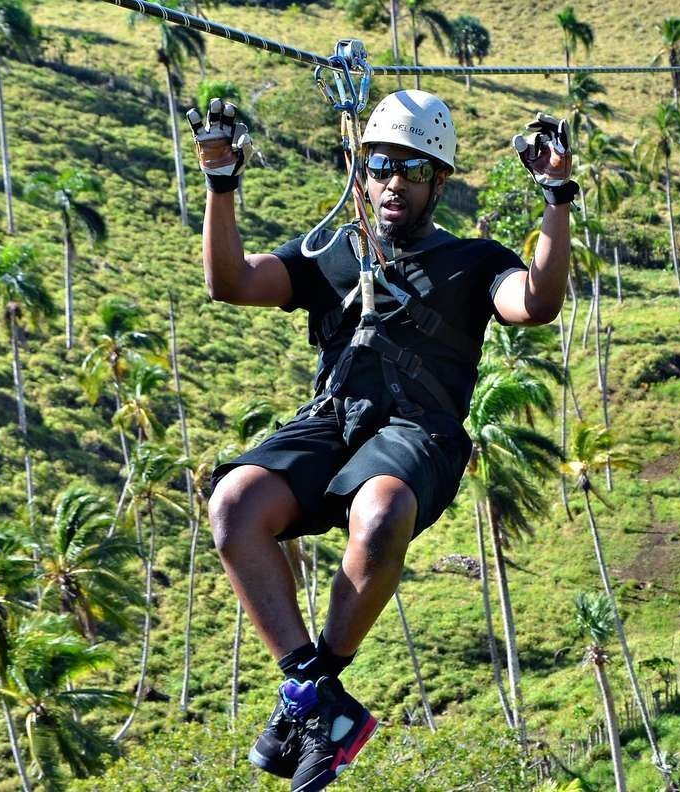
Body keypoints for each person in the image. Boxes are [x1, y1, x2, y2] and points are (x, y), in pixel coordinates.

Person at [186, 88, 575, 792]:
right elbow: (231, 283)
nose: (394, 181)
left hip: (416, 432)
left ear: (439, 183)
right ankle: (313, 698)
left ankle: (309, 698)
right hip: (333, 418)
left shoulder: (474, 263)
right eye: (381, 165)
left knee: (382, 510)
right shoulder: (332, 251)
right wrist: (220, 184)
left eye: (414, 170)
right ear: (359, 171)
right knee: (234, 502)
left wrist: (555, 198)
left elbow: (535, 303)